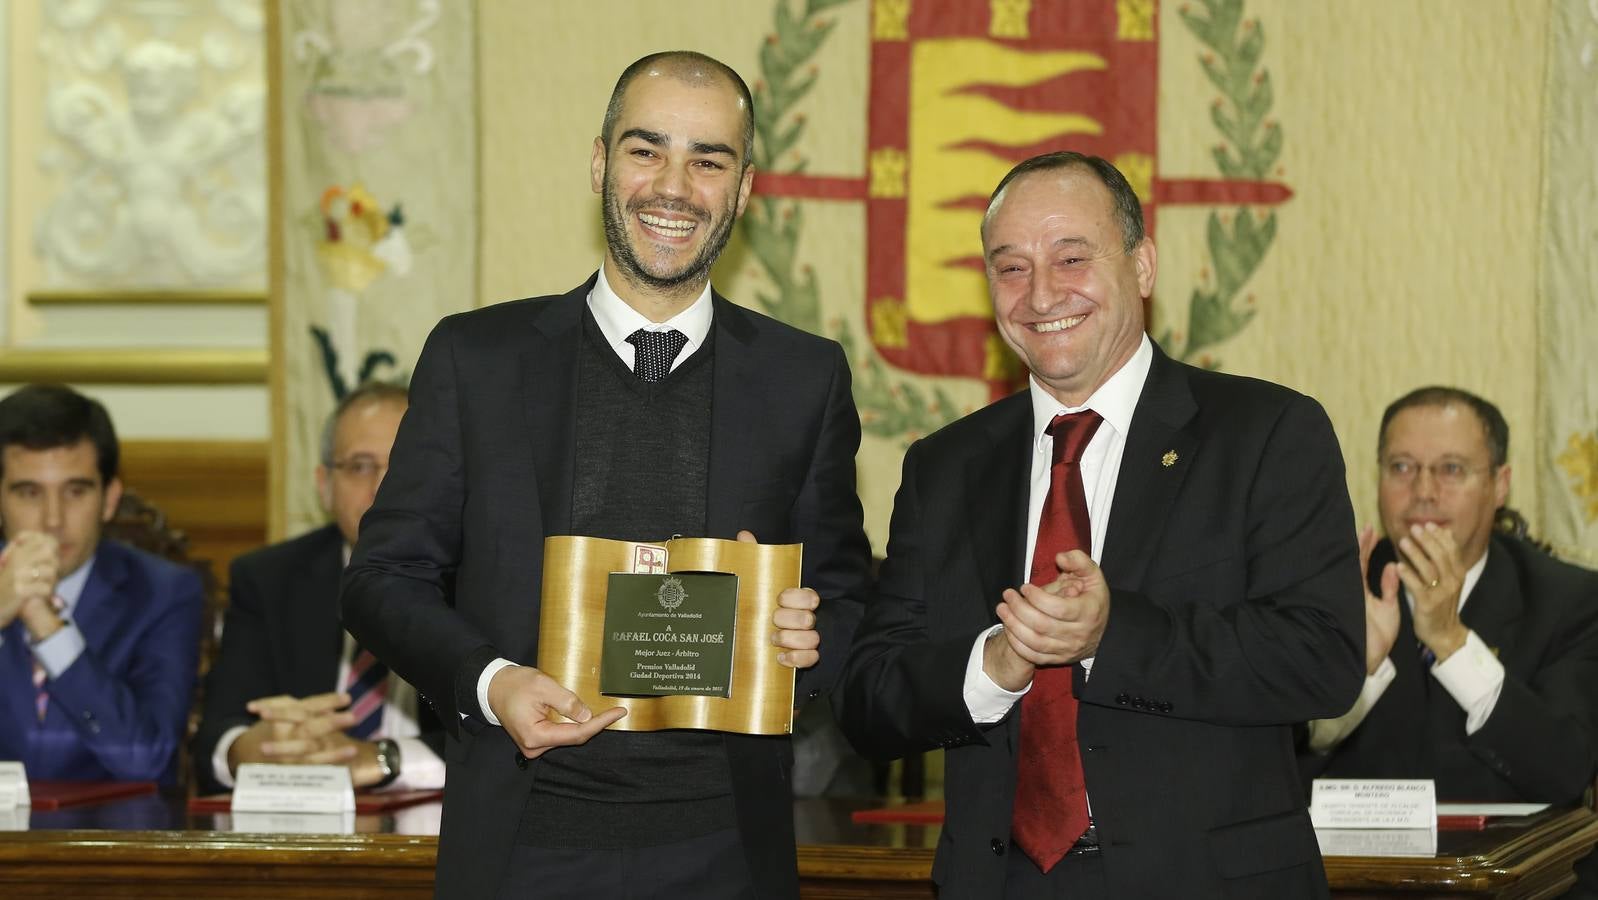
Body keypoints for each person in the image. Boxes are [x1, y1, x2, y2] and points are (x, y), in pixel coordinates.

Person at [341, 51, 870, 899]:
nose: (674, 185)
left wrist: (812, 638)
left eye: (709, 159)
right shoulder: (477, 359)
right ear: (599, 163)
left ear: (743, 189)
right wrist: (493, 681)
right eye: (645, 149)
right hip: (520, 849)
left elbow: (845, 597)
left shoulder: (804, 378)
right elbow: (381, 581)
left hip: (727, 853)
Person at [833, 151, 1366, 899]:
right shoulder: (944, 466)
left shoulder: (1267, 433)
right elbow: (869, 698)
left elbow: (1323, 660)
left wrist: (1111, 634)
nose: (1041, 294)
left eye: (1072, 258)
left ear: (1143, 265)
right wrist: (991, 666)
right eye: (1010, 268)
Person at [1300, 387, 1598, 804]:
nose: (1423, 491)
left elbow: (1566, 773)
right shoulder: (1331, 588)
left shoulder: (1569, 601)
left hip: (1512, 864)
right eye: (1402, 467)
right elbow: (1270, 774)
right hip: (1351, 866)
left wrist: (1451, 642)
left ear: (1499, 485)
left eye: (1451, 469)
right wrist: (1358, 676)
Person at [192, 382, 445, 794]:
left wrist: (383, 759)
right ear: (324, 484)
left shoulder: (486, 581)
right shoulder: (269, 578)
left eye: (405, 464)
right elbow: (217, 734)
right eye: (361, 466)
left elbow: (504, 743)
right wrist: (248, 749)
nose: (382, 489)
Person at [0, 384, 203, 784]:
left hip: (107, 841)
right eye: (29, 493)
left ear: (109, 499)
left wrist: (47, 627)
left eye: (76, 491)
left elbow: (145, 760)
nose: (53, 520)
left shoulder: (164, 593)